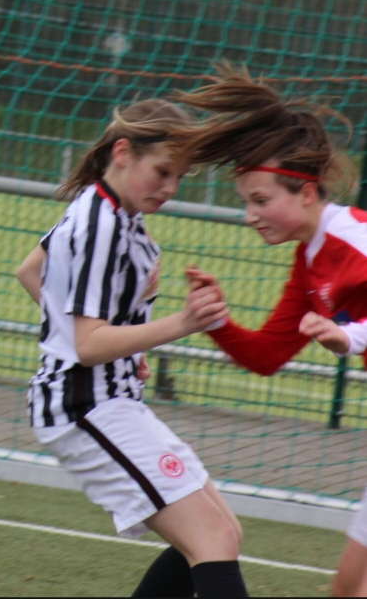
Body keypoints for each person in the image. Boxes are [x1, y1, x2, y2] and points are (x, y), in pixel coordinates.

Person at [16, 97, 250, 599]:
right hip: (84, 404)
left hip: (109, 400)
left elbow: (31, 271)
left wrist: (121, 345)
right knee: (211, 539)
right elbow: (88, 346)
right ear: (123, 152)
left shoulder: (109, 212)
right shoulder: (101, 223)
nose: (170, 188)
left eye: (179, 177)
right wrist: (182, 322)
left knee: (223, 533)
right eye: (162, 172)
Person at [177, 65, 366, 598]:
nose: (249, 215)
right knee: (348, 589)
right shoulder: (310, 261)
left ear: (305, 192)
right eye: (245, 201)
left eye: (260, 201)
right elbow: (265, 356)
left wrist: (351, 337)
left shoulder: (354, 237)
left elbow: (353, 333)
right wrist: (214, 319)